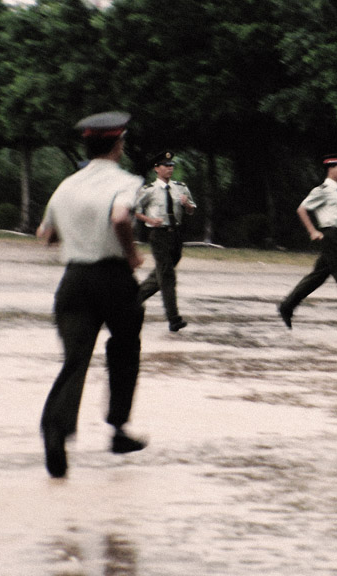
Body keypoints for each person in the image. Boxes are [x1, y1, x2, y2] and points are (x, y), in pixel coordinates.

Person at [36, 111, 148, 478]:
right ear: (119, 144)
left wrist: (77, 235)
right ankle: (117, 429)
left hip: (73, 280)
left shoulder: (66, 185)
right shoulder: (128, 181)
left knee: (75, 359)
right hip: (112, 277)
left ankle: (56, 431)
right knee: (125, 346)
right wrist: (131, 253)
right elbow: (119, 218)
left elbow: (45, 235)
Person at [278, 153, 337, 330]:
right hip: (331, 237)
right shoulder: (322, 190)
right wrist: (313, 231)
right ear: (331, 168)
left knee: (316, 278)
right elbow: (302, 209)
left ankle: (287, 307)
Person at [134, 151, 196, 332]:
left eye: (171, 165)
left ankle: (130, 302)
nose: (170, 168)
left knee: (160, 275)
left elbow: (191, 210)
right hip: (158, 235)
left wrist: (187, 205)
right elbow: (136, 210)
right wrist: (149, 220)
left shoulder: (180, 188)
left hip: (176, 234)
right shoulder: (149, 190)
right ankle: (174, 318)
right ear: (156, 169)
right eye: (166, 165)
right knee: (167, 275)